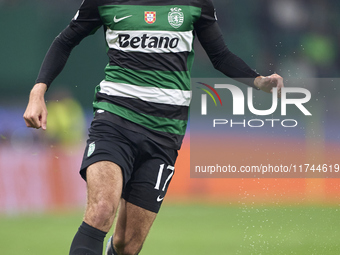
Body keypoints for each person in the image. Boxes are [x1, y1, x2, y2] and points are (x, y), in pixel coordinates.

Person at [23, 0, 284, 254]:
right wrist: (38, 91)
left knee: (128, 244)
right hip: (115, 119)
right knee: (102, 209)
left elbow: (220, 56)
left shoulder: (197, 4)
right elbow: (65, 40)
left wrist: (257, 81)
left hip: (165, 132)